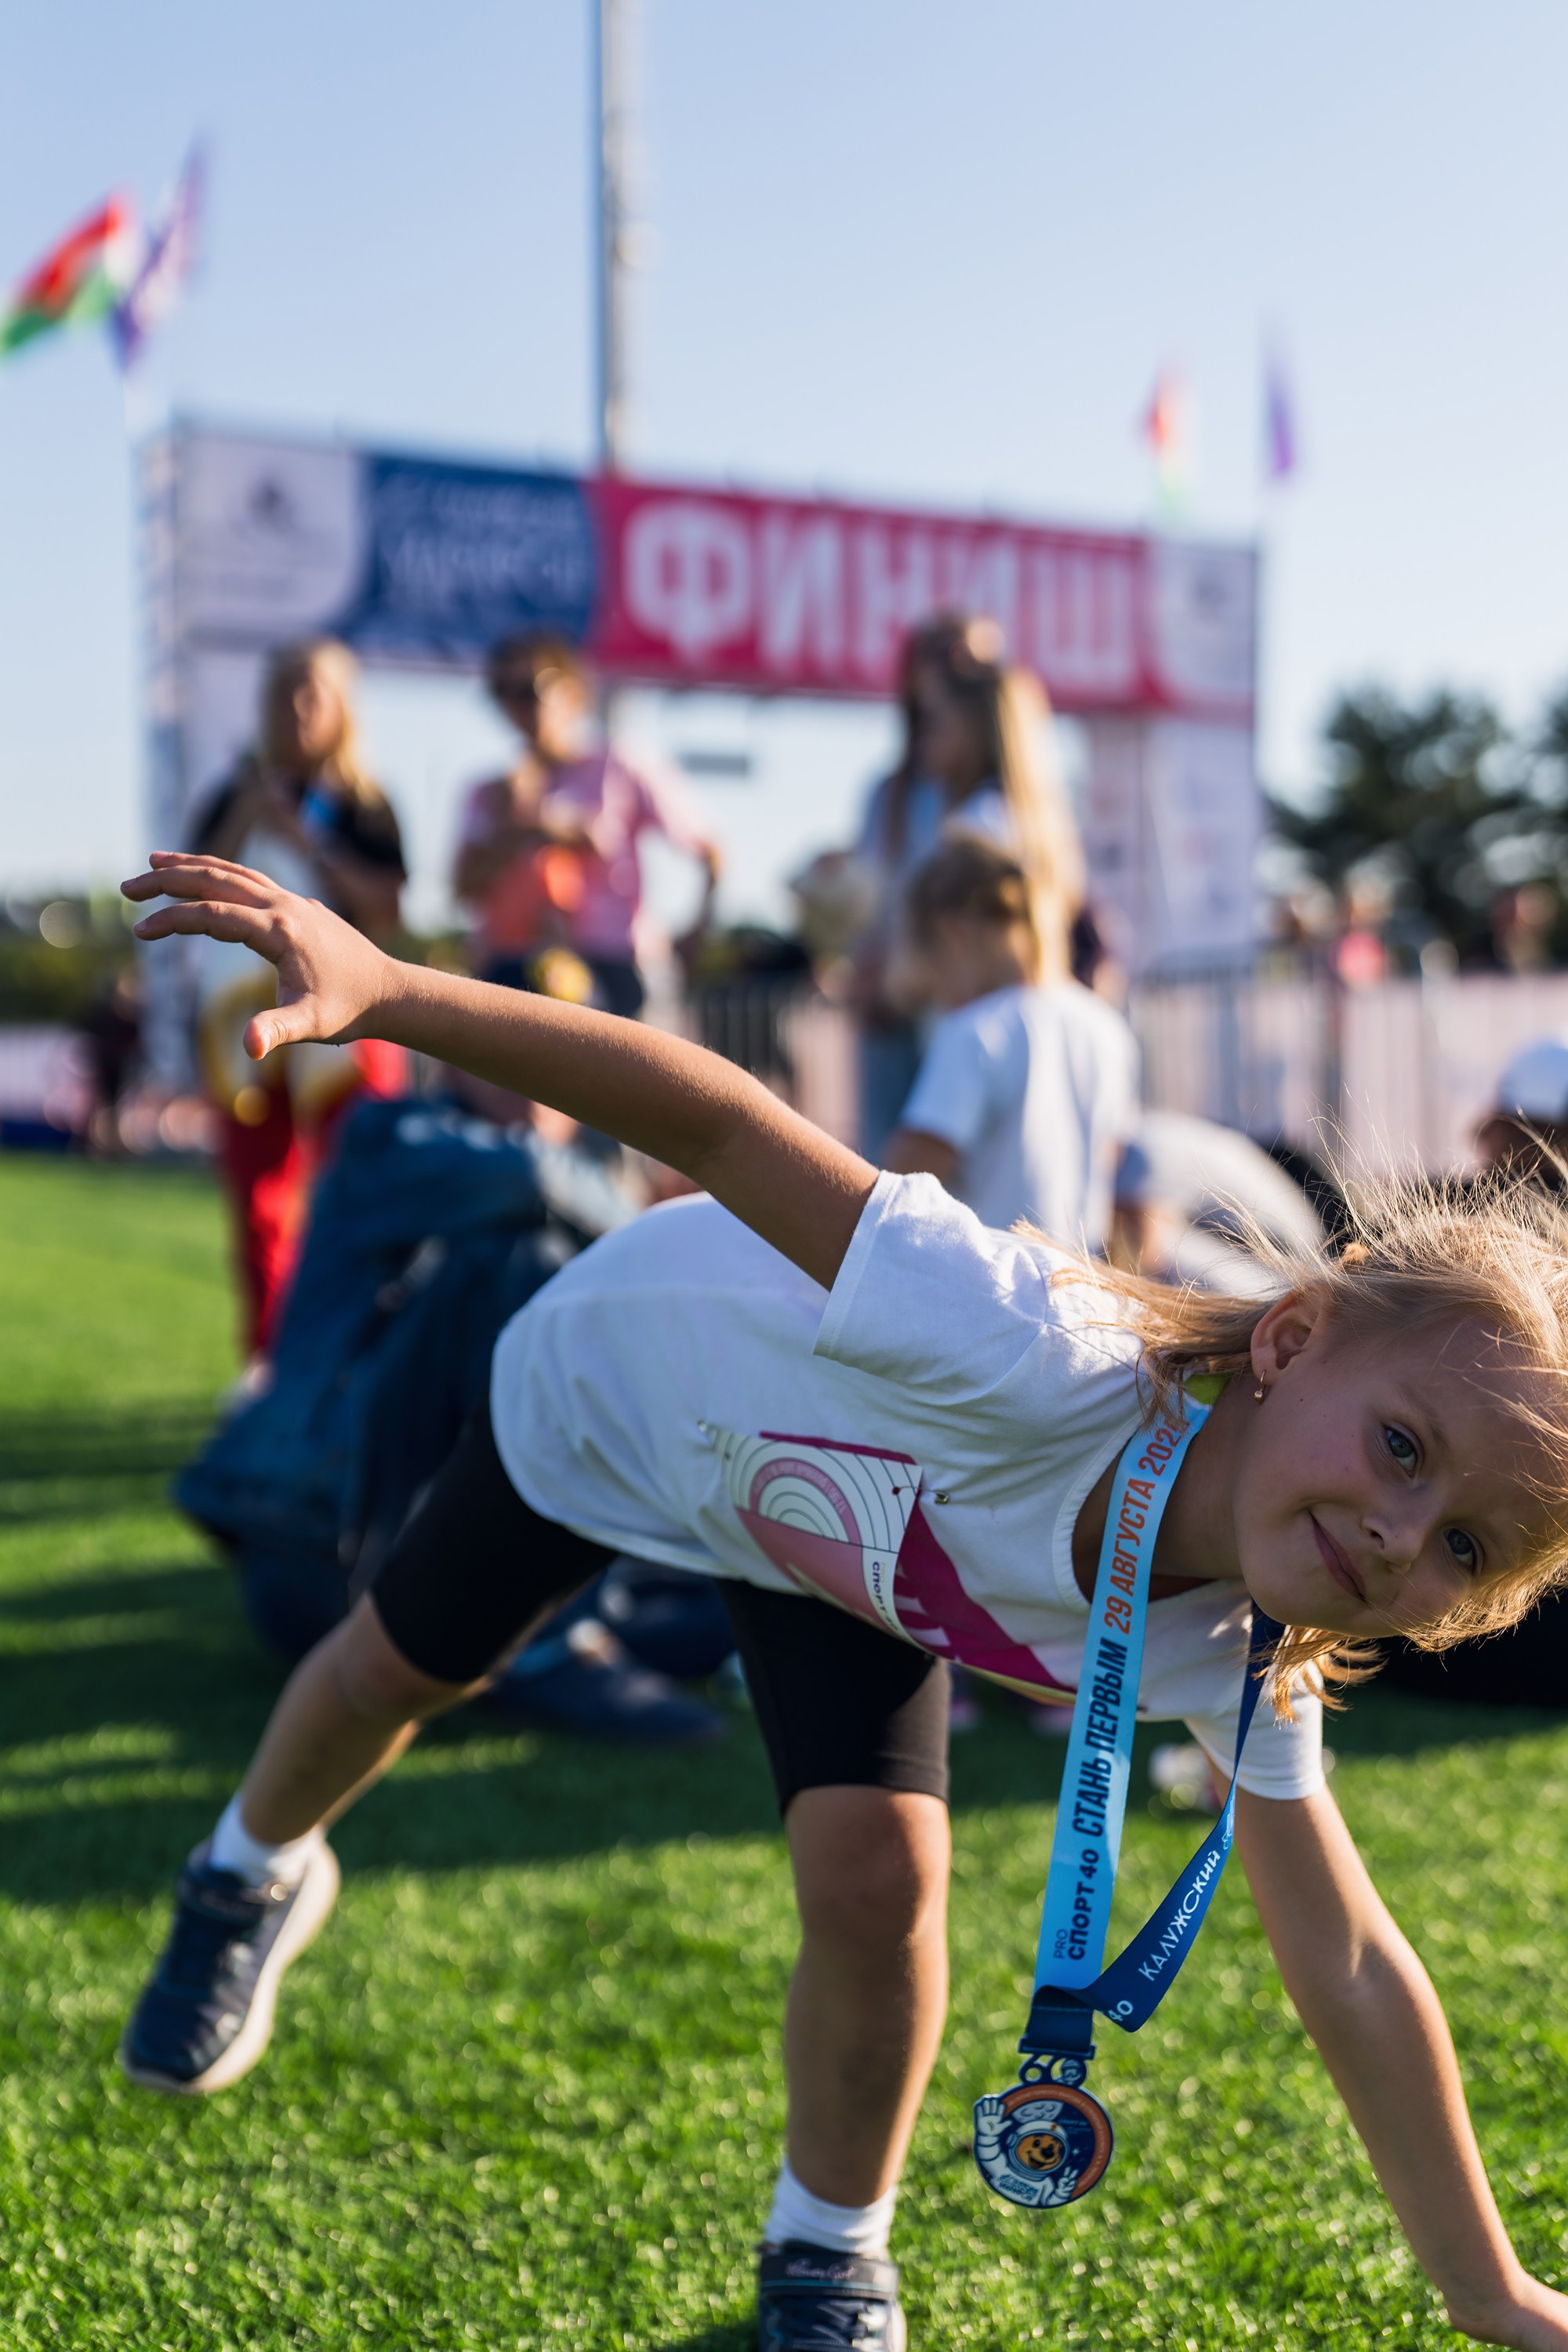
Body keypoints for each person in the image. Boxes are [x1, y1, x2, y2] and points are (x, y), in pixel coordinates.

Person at [117, 849, 1568, 2352]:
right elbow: (718, 1120)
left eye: (1467, 1548)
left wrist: (1494, 2290)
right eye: (1405, 1446)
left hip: (825, 1541)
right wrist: (399, 994)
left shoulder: (1242, 1643)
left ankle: (827, 2252)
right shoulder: (1026, 1349)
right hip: (624, 1392)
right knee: (390, 1677)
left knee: (882, 1883)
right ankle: (248, 1867)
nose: (1404, 1537)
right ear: (1294, 1339)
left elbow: (1346, 1960)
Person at [187, 639, 407, 1354]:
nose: (296, 707)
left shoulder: (365, 806)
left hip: (353, 1024)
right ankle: (268, 1364)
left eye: (311, 691)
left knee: (361, 1193)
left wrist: (305, 841)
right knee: (260, 1204)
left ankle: (355, 1355)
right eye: (282, 690)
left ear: (342, 705)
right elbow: (193, 887)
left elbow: (389, 912)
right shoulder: (234, 792)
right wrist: (249, 816)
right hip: (249, 1020)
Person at [844, 613, 1084, 1156]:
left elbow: (918, 963)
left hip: (960, 1039)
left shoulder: (975, 831)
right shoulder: (1026, 819)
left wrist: (888, 983)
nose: (927, 737)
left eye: (938, 722)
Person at [883, 836, 1138, 1250]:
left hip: (991, 1290)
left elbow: (908, 1179)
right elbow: (1112, 1155)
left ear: (954, 934)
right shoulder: (1103, 1024)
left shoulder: (974, 1032)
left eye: (929, 969)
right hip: (1079, 1283)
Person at [452, 633, 720, 1019]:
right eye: (502, 692)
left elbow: (709, 850)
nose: (515, 706)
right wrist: (518, 831)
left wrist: (698, 930)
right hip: (526, 968)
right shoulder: (490, 792)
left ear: (572, 693)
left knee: (629, 1079)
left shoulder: (620, 765)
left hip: (618, 964)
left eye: (529, 690)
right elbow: (463, 888)